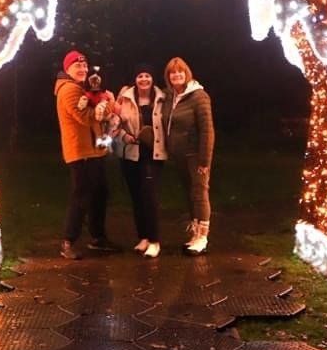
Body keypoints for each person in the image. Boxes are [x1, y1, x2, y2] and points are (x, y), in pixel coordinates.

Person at [54, 49, 120, 260]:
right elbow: (87, 117)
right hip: (81, 152)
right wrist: (110, 102)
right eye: (77, 66)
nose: (82, 69)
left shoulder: (82, 88)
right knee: (81, 196)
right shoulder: (69, 90)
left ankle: (98, 238)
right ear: (68, 69)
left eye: (84, 65)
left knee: (100, 193)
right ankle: (68, 241)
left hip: (94, 150)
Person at [113, 63, 166, 258]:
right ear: (134, 79)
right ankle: (143, 237)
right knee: (136, 197)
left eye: (147, 75)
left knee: (149, 195)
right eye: (140, 76)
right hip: (130, 153)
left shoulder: (162, 98)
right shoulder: (124, 97)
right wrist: (122, 136)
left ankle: (154, 240)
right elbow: (113, 124)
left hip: (153, 154)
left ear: (153, 78)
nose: (144, 79)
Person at [162, 56, 214, 255]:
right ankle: (194, 233)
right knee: (190, 193)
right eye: (172, 73)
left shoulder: (199, 96)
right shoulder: (170, 96)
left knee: (200, 192)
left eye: (180, 72)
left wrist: (204, 160)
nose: (176, 75)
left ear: (187, 74)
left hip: (195, 154)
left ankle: (202, 237)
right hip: (179, 155)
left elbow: (207, 130)